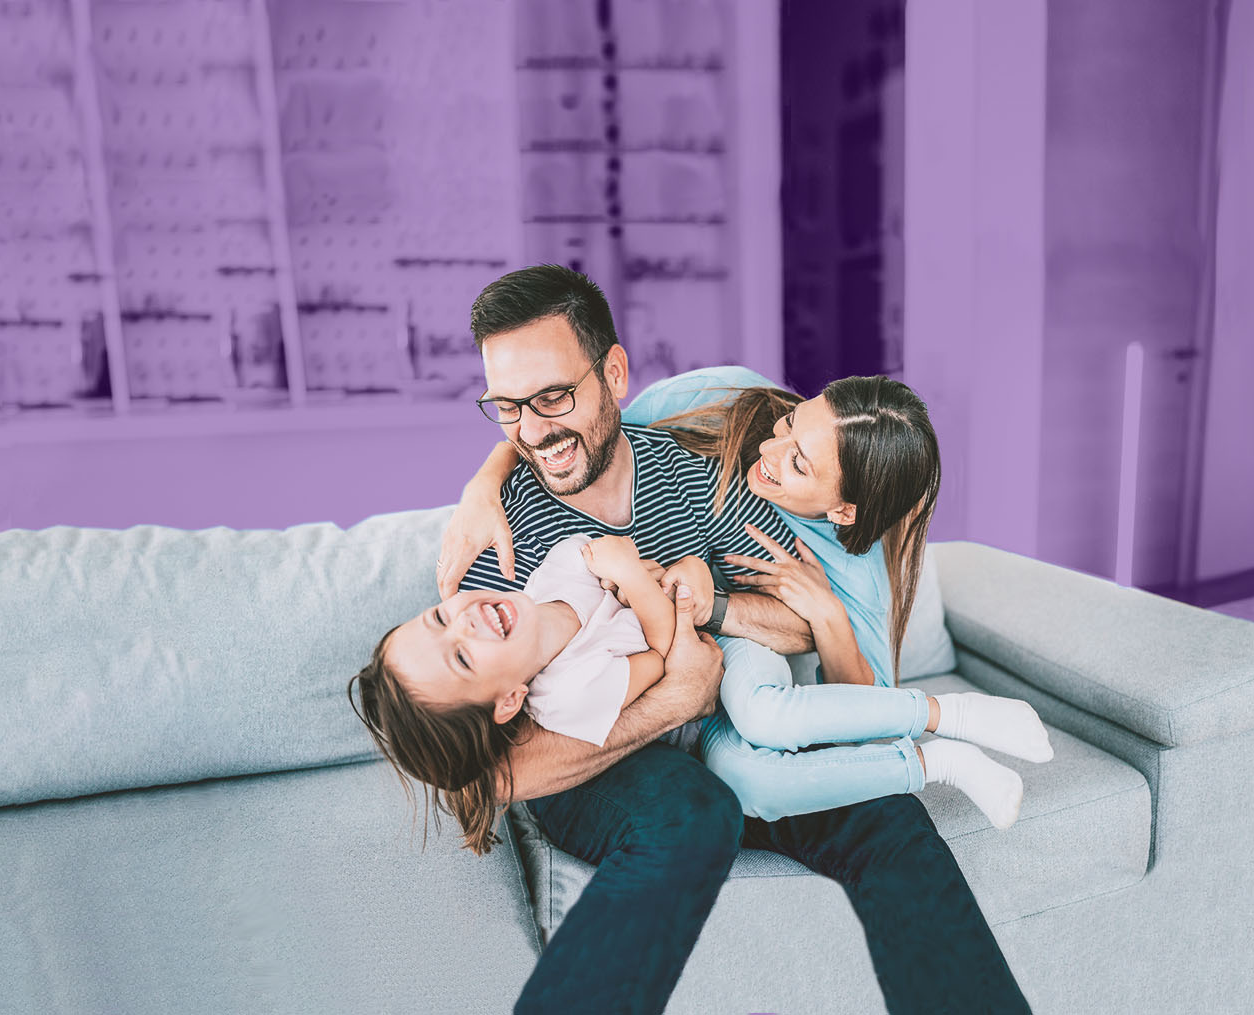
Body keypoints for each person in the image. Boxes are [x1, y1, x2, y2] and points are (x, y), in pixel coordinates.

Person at [432, 264, 1032, 1014]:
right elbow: (484, 772)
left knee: (887, 810)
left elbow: (794, 614)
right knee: (691, 807)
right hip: (604, 766)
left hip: (723, 738)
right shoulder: (496, 541)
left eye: (553, 397)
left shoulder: (696, 476)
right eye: (506, 407)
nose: (532, 431)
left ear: (613, 374)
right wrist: (674, 697)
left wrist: (718, 608)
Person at [444, 365, 1055, 828]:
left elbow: (866, 718)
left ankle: (954, 728)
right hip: (698, 667)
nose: (767, 452)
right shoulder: (722, 398)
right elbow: (579, 433)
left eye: (799, 465)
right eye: (790, 426)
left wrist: (825, 616)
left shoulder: (855, 568)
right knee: (752, 785)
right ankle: (944, 757)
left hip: (746, 670)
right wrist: (483, 484)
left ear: (843, 509)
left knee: (766, 725)